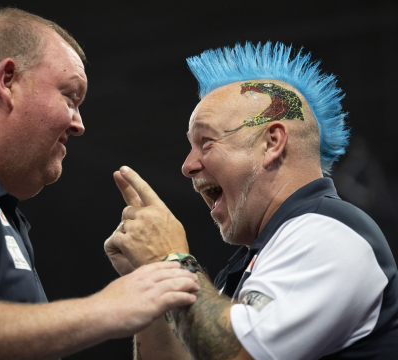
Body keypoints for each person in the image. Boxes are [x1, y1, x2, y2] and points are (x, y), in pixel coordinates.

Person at [0, 8, 200, 359]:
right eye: (70, 96)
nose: (79, 124)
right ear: (7, 81)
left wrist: (153, 296)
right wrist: (111, 307)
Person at [105, 42, 398, 360]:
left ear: (272, 142)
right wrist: (152, 277)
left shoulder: (326, 234)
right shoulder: (254, 263)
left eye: (206, 141)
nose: (187, 166)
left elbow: (241, 355)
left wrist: (171, 259)